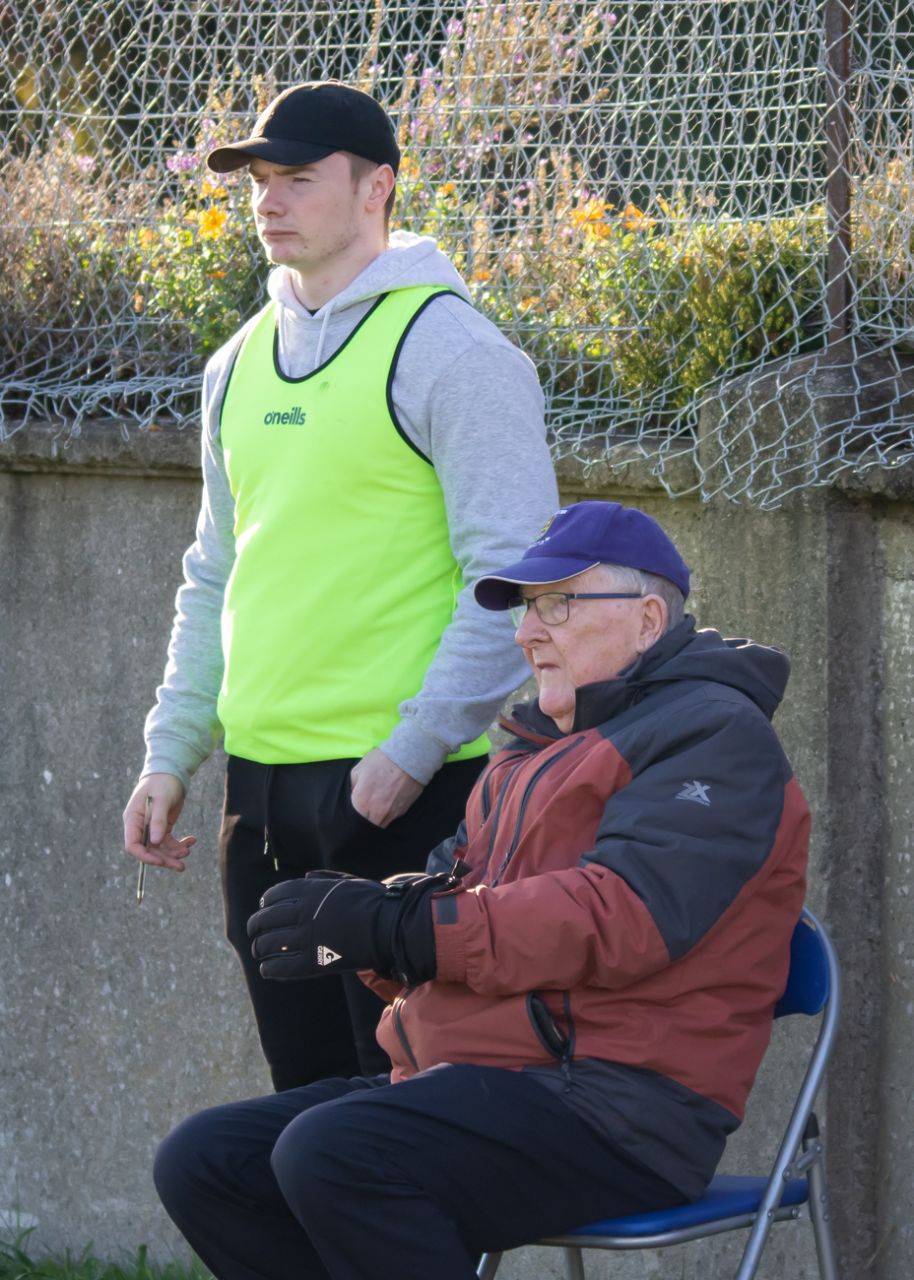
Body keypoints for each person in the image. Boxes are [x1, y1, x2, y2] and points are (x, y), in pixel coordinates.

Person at [153, 500, 810, 1280]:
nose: (529, 632)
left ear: (647, 618)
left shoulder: (715, 737)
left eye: (558, 604)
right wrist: (360, 926)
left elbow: (618, 916)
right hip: (478, 1074)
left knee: (337, 1153)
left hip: (619, 1104)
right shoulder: (529, 751)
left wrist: (402, 926)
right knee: (206, 1162)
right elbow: (460, 894)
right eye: (528, 609)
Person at [121, 80, 558, 1090]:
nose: (268, 200)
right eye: (260, 180)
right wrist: (170, 751)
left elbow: (512, 576)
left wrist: (406, 753)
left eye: (298, 178)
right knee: (306, 1106)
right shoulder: (236, 366)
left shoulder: (452, 352)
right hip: (264, 803)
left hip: (406, 803)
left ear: (377, 189)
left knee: (400, 1119)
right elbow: (214, 573)